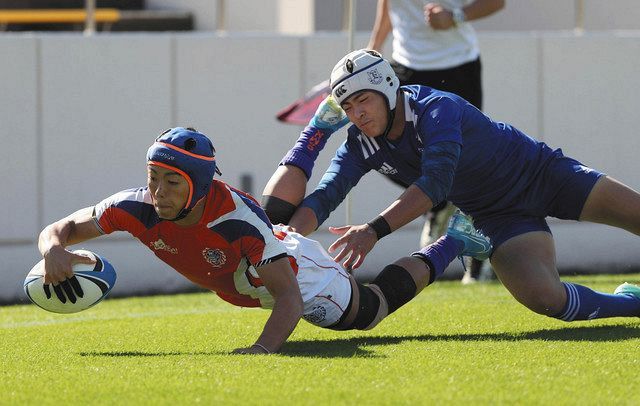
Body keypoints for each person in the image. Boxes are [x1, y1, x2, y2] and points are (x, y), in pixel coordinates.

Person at [262, 49, 640, 324]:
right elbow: (325, 197)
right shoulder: (360, 143)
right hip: (495, 216)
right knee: (547, 300)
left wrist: (372, 231)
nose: (357, 114)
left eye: (363, 100)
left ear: (388, 87)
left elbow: (436, 184)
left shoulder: (436, 108)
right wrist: (281, 240)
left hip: (544, 175)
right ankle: (631, 304)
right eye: (348, 109)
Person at [37, 127, 492, 354]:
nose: (157, 192)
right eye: (153, 178)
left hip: (294, 269)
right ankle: (315, 129)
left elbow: (288, 297)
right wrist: (53, 249)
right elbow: (61, 228)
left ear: (197, 183)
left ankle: (455, 240)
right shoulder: (132, 207)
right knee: (272, 222)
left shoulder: (236, 219)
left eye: (171, 182)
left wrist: (261, 351)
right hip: (252, 265)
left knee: (368, 311)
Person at [367, 0, 505, 283]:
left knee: (466, 163)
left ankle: (477, 261)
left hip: (457, 67)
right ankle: (438, 203)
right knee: (385, 147)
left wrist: (455, 16)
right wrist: (372, 51)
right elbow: (387, 7)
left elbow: (497, 3)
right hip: (405, 68)